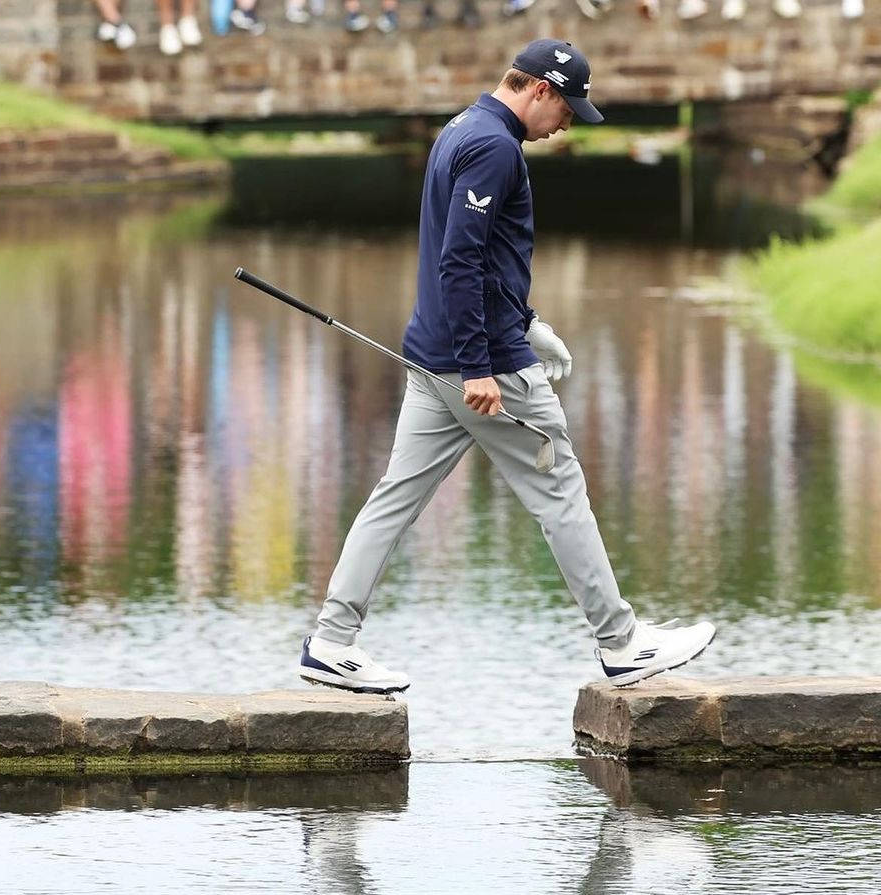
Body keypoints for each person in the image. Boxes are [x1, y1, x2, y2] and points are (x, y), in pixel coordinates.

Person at [297, 37, 717, 694]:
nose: (567, 124)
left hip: (436, 353)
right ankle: (621, 642)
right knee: (560, 492)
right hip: (483, 367)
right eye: (567, 109)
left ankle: (330, 640)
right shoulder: (496, 147)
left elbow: (480, 258)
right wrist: (481, 365)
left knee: (394, 499)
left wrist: (526, 320)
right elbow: (458, 261)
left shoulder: (463, 127)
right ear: (538, 91)